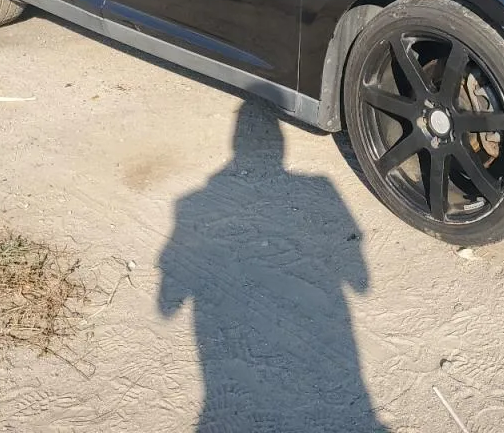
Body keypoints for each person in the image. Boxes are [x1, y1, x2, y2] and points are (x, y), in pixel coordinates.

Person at [157, 107, 386, 432]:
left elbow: (166, 304)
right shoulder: (321, 187)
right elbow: (361, 281)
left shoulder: (189, 204)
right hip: (329, 362)